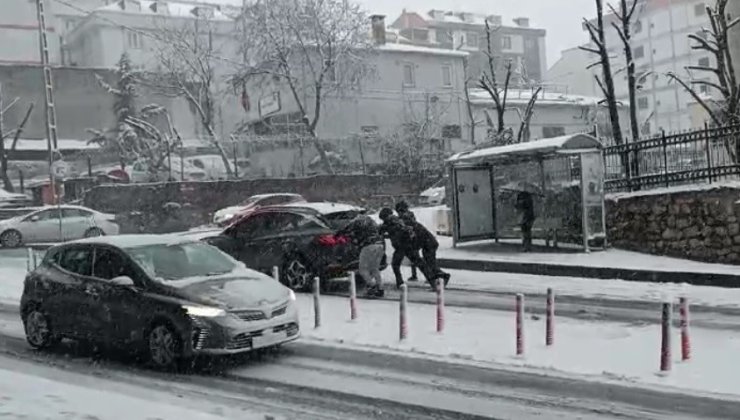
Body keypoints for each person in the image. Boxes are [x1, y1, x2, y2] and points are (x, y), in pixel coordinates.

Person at [395, 201, 450, 289]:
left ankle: (443, 277)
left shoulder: (405, 219)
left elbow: (410, 230)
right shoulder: (409, 218)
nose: (398, 213)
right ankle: (436, 279)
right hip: (427, 242)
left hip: (428, 243)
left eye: (399, 211)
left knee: (430, 263)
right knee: (427, 262)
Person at [378, 207, 435, 289]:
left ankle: (400, 282)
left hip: (401, 247)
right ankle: (433, 282)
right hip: (409, 245)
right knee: (420, 264)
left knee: (395, 264)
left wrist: (384, 233)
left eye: (383, 218)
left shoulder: (390, 222)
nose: (383, 220)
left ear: (385, 216)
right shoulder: (399, 220)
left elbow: (388, 230)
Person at [337, 213, 386, 298]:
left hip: (368, 246)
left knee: (363, 269)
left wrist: (338, 234)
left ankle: (372, 287)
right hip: (380, 245)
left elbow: (346, 230)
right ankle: (380, 288)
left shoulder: (357, 221)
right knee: (375, 268)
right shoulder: (370, 220)